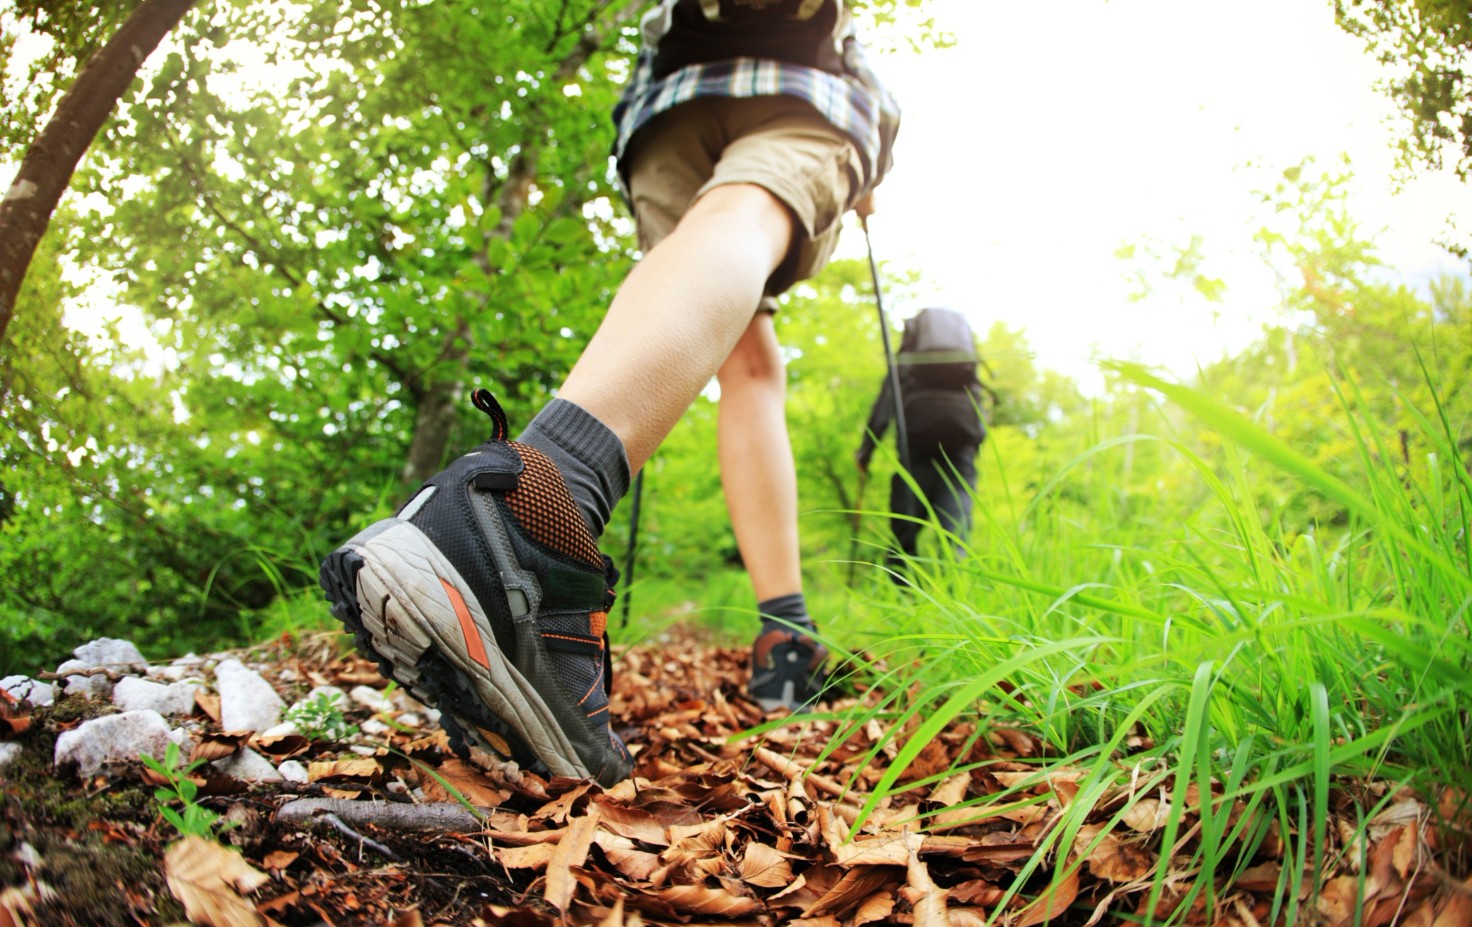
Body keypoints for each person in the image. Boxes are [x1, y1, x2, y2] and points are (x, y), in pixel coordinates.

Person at [321, 1, 899, 786]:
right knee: (745, 213)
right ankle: (527, 510)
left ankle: (784, 645)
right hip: (804, 84)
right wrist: (874, 156)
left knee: (750, 358)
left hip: (666, 116)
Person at [855, 307, 986, 573]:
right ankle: (956, 605)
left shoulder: (905, 368)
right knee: (955, 537)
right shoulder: (964, 370)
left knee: (903, 539)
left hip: (915, 456)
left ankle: (902, 600)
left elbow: (883, 409)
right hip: (960, 460)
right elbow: (979, 415)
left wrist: (865, 453)